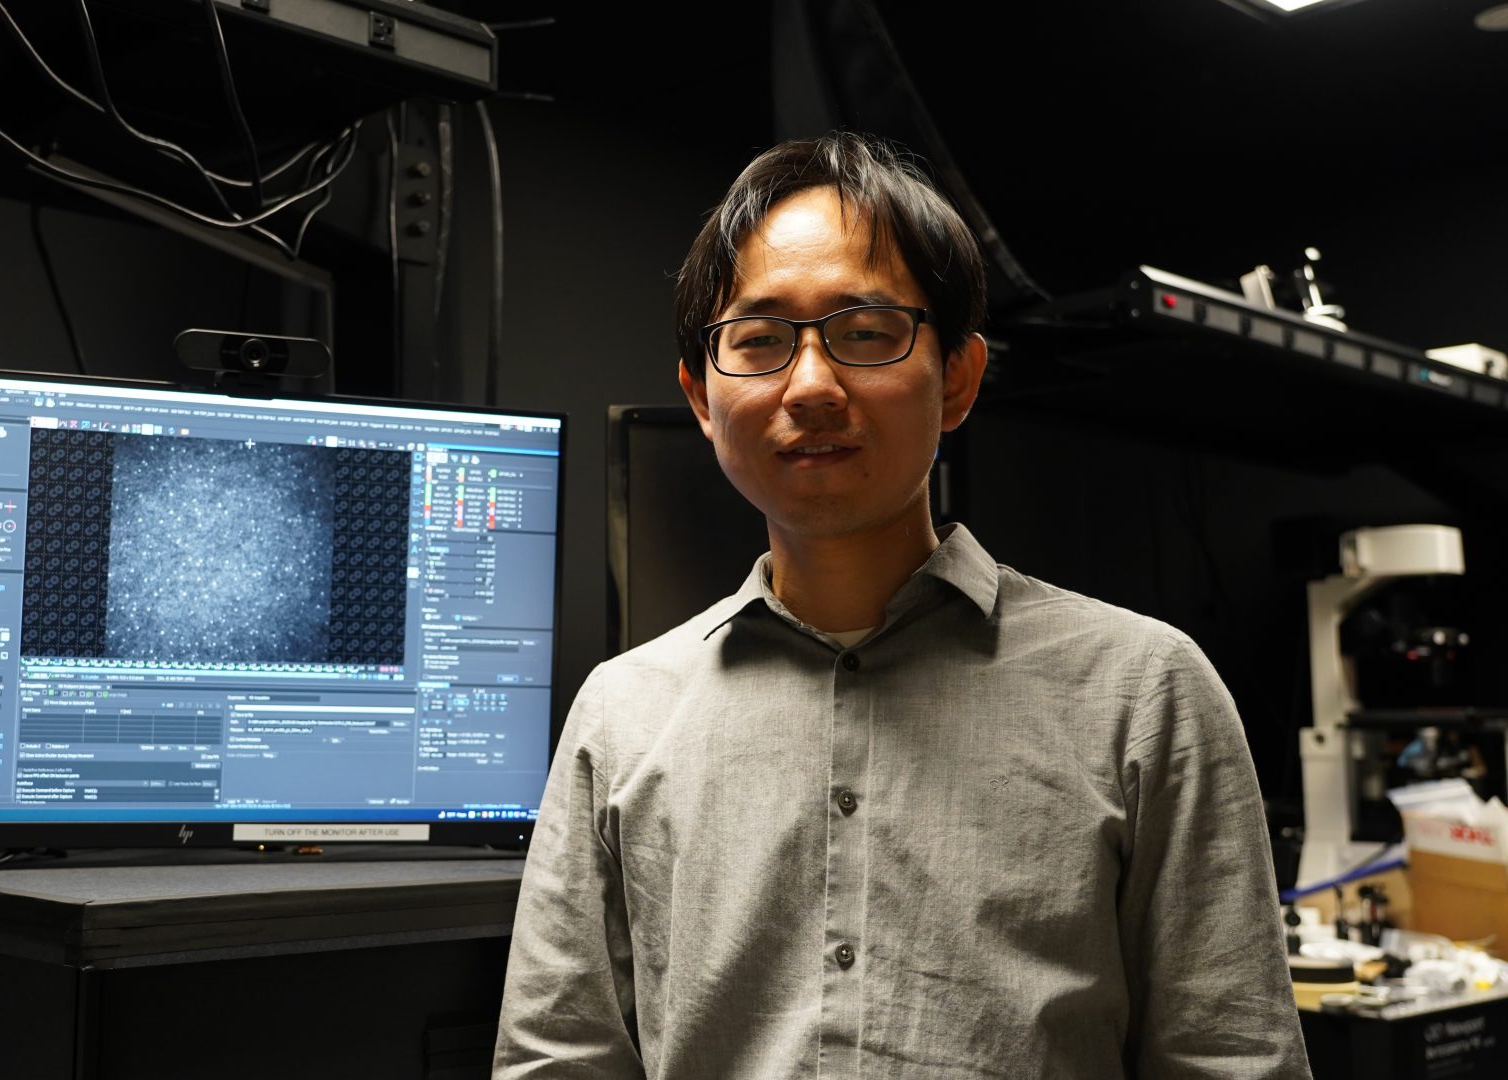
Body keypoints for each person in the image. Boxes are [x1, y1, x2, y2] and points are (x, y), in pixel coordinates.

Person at [492, 132, 1310, 1079]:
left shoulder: (1145, 693)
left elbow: (1232, 1060)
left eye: (866, 330)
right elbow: (559, 1062)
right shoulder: (622, 714)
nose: (810, 386)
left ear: (958, 375)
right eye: (758, 340)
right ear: (704, 400)